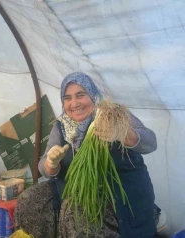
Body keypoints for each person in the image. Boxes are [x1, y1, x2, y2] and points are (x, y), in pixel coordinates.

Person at [14, 72, 159, 237]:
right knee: (29, 199)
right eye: (67, 98)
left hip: (118, 194)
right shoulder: (61, 125)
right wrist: (51, 163)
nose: (74, 103)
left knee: (75, 210)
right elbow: (43, 168)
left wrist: (123, 132)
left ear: (92, 95)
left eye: (80, 95)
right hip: (70, 190)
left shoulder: (112, 114)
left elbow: (151, 143)